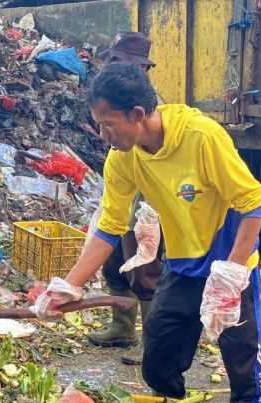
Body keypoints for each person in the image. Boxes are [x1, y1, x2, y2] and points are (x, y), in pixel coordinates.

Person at [33, 64, 261, 403]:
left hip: (229, 267)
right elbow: (108, 225)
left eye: (108, 123)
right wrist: (71, 284)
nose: (103, 134)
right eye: (98, 123)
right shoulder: (124, 156)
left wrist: (231, 275)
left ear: (138, 113)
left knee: (247, 370)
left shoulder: (201, 137)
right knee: (158, 360)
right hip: (183, 267)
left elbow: (253, 203)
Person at [88, 32, 164, 365]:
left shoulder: (143, 110)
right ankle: (122, 328)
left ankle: (154, 346)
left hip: (146, 205)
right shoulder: (113, 104)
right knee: (114, 263)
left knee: (145, 271)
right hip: (123, 198)